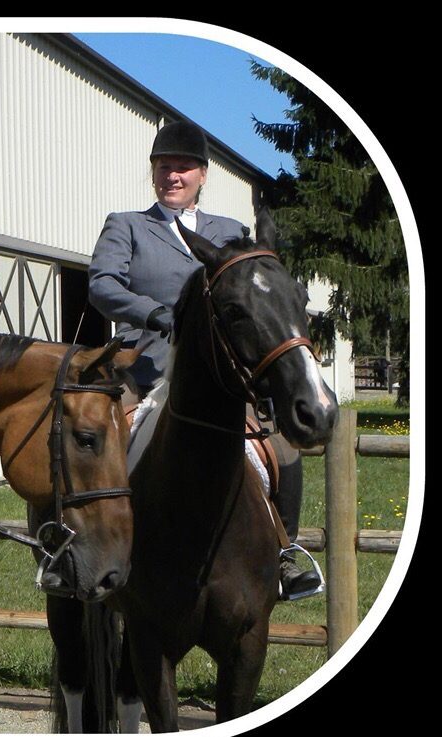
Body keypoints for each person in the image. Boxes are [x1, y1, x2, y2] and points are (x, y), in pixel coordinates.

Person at [87, 120, 321, 600]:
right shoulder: (127, 225)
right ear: (153, 173)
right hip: (145, 364)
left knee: (280, 445)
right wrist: (154, 313)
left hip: (220, 372)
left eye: (183, 168)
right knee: (95, 439)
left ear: (203, 175)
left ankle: (285, 552)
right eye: (164, 167)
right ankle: (80, 547)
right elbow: (101, 284)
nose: (173, 176)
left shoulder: (230, 232)